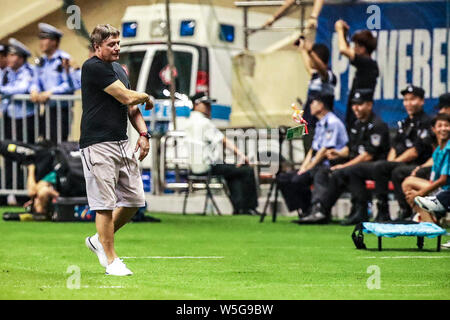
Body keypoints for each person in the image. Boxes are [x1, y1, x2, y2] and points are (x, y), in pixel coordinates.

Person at [80, 24, 154, 276]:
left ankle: (97, 240)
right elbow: (126, 97)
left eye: (118, 43)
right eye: (111, 44)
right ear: (97, 47)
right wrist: (145, 95)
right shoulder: (92, 67)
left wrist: (144, 134)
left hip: (122, 143)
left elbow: (131, 108)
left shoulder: (119, 70)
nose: (117, 48)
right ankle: (111, 261)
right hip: (97, 144)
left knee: (134, 201)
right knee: (104, 205)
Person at [299, 89, 390, 224]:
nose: (356, 108)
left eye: (360, 104)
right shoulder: (357, 125)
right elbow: (351, 149)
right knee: (333, 173)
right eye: (354, 104)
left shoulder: (377, 125)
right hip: (358, 164)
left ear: (369, 105)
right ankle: (321, 210)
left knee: (347, 171)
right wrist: (339, 153)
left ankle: (360, 209)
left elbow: (368, 155)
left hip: (376, 166)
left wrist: (345, 165)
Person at [350, 85, 434, 222]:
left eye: (412, 99)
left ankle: (405, 210)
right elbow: (394, 147)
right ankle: (369, 210)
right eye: (405, 100)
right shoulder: (404, 122)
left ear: (421, 101)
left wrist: (392, 163)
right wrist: (389, 162)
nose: (408, 103)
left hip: (419, 164)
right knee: (362, 169)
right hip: (400, 163)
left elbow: (415, 151)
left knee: (393, 170)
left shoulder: (426, 122)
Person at [184, 92, 260, 215]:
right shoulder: (204, 123)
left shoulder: (188, 122)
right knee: (246, 170)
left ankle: (239, 207)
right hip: (208, 166)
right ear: (196, 105)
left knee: (233, 173)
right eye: (206, 104)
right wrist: (241, 155)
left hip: (193, 167)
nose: (209, 107)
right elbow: (223, 140)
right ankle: (248, 207)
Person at [276, 93, 347, 222]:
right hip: (317, 163)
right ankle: (304, 210)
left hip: (330, 164)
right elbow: (312, 150)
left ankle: (319, 211)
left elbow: (324, 150)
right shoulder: (320, 124)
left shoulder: (332, 122)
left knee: (314, 176)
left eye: (313, 102)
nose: (310, 106)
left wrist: (309, 167)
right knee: (284, 178)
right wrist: (303, 168)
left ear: (321, 105)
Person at [0, 38, 36, 202]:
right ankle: (8, 191)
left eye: (12, 55)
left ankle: (23, 193)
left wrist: (3, 91)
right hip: (9, 118)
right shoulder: (7, 73)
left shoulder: (28, 71)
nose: (8, 58)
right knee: (8, 154)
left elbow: (21, 89)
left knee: (25, 155)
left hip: (25, 119)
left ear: (21, 58)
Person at [30, 23, 74, 143]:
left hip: (61, 110)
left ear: (54, 42)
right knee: (45, 145)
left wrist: (50, 92)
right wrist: (34, 90)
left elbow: (70, 84)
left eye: (45, 39)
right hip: (47, 109)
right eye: (41, 39)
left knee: (59, 145)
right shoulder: (42, 61)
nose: (41, 42)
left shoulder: (64, 59)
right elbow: (35, 80)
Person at [401, 113, 450, 223]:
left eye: (446, 125)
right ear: (434, 129)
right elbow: (434, 178)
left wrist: (420, 193)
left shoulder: (449, 149)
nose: (443, 129)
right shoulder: (437, 151)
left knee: (412, 190)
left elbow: (443, 180)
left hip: (447, 191)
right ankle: (430, 218)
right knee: (409, 187)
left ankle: (430, 221)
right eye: (440, 125)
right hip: (440, 189)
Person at [334, 20, 379, 128]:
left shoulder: (368, 63)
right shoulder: (366, 64)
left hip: (361, 113)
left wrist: (339, 29)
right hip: (355, 112)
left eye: (356, 46)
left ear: (363, 49)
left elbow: (343, 50)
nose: (353, 49)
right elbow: (347, 49)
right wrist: (344, 34)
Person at [296, 37, 337, 152]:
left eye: (312, 58)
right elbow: (309, 67)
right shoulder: (315, 75)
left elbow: (323, 70)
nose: (309, 60)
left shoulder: (328, 76)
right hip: (309, 125)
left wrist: (310, 52)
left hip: (320, 127)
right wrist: (303, 49)